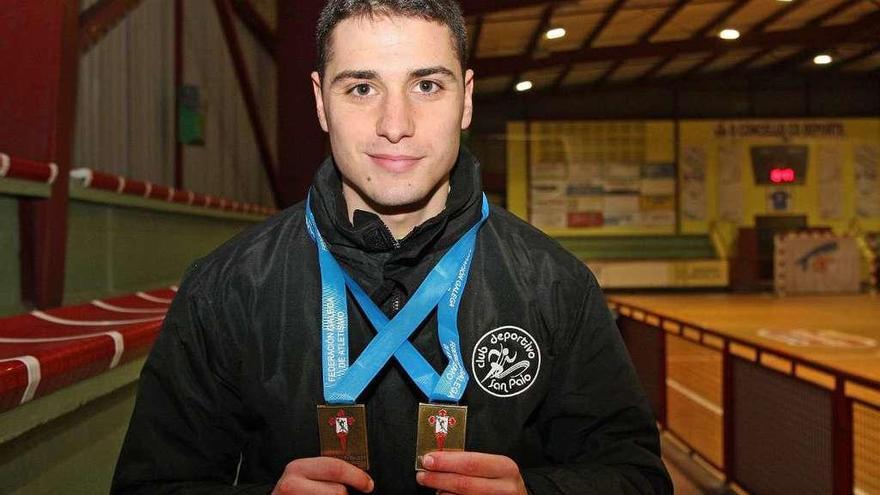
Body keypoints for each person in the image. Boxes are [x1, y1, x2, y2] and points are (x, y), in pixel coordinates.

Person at [112, 0, 672, 493]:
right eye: (361, 87)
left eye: (427, 85)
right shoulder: (225, 287)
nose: (395, 124)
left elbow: (635, 475)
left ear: (467, 99)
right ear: (321, 102)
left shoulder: (556, 284)